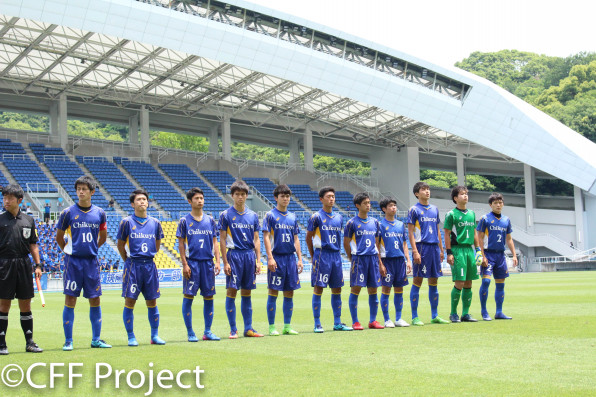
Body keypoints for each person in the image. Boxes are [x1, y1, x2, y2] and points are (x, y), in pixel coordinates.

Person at [56, 176, 111, 350]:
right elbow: (59, 236)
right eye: (78, 188)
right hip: (73, 262)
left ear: (92, 192)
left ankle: (96, 339)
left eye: (84, 189)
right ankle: (68, 341)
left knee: (95, 299)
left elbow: (102, 237)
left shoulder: (100, 213)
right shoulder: (68, 213)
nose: (80, 191)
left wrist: (92, 248)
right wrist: (69, 249)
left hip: (91, 262)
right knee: (70, 299)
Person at [117, 189, 165, 346]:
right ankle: (131, 336)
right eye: (138, 199)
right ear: (132, 204)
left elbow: (157, 245)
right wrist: (128, 260)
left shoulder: (156, 223)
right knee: (130, 301)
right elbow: (120, 244)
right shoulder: (126, 222)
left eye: (144, 199)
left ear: (148, 202)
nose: (142, 201)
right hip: (133, 265)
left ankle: (155, 335)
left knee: (152, 301)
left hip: (149, 266)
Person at [0, 184, 43, 354]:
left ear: (19, 200)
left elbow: (33, 244)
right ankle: (2, 343)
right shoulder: (0, 220)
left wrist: (38, 264)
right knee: (4, 305)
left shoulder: (29, 220)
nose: (6, 201)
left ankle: (30, 342)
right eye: (4, 198)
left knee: (25, 303)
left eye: (9, 198)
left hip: (24, 265)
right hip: (4, 264)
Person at [218, 180, 263, 339]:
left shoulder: (253, 216)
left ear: (246, 196)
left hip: (249, 256)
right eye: (237, 194)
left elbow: (257, 239)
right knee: (232, 291)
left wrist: (258, 260)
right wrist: (225, 262)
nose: (240, 197)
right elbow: (222, 239)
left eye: (243, 194)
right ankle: (233, 329)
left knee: (247, 292)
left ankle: (249, 328)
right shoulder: (225, 215)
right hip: (234, 255)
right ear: (232, 196)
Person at [177, 187, 221, 342]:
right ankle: (190, 332)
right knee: (189, 297)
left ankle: (207, 331)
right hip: (192, 263)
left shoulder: (210, 220)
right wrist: (184, 264)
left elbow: (215, 242)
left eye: (201, 198)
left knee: (209, 297)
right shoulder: (184, 221)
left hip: (208, 264)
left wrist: (218, 261)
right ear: (190, 201)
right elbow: (181, 244)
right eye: (196, 198)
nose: (200, 201)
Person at [307, 186, 352, 333]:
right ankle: (317, 323)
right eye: (328, 196)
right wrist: (313, 255)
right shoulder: (316, 217)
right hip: (322, 255)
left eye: (333, 196)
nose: (331, 199)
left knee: (337, 288)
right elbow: (309, 238)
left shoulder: (339, 217)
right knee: (319, 287)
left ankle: (337, 322)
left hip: (336, 255)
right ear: (321, 199)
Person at [263, 184, 303, 336]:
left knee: (289, 292)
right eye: (282, 196)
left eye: (287, 196)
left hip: (290, 259)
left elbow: (296, 239)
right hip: (277, 258)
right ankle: (272, 327)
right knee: (273, 292)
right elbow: (266, 237)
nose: (285, 199)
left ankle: (287, 326)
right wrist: (270, 258)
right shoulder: (270, 216)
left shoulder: (293, 217)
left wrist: (299, 259)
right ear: (276, 198)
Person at [407, 182, 449, 326]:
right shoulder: (414, 210)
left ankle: (435, 315)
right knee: (417, 281)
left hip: (434, 248)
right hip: (422, 247)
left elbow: (438, 230)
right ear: (417, 194)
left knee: (434, 281)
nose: (427, 192)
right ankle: (414, 316)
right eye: (423, 189)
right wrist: (415, 251)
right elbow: (410, 232)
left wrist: (441, 249)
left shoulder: (434, 209)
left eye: (428, 189)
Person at [343, 192, 385, 330]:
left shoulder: (375, 222)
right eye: (365, 203)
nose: (368, 205)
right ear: (357, 205)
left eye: (369, 202)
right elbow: (346, 243)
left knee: (373, 290)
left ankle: (373, 320)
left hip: (373, 259)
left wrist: (379, 263)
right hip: (359, 259)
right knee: (356, 289)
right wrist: (352, 258)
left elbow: (377, 244)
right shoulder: (351, 223)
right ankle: (355, 321)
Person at [444, 185, 482, 323]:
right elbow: (447, 234)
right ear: (455, 198)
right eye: (462, 194)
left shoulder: (471, 213)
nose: (465, 196)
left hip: (469, 250)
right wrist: (449, 252)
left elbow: (474, 232)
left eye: (466, 194)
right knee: (459, 282)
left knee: (469, 282)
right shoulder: (451, 214)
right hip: (458, 249)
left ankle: (465, 313)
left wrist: (478, 250)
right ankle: (453, 313)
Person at [476, 193, 518, 320]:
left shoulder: (506, 220)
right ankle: (484, 312)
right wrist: (482, 255)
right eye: (495, 203)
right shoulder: (485, 219)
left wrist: (514, 255)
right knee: (486, 281)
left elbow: (509, 239)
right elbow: (480, 238)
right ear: (490, 205)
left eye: (500, 202)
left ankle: (499, 312)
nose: (498, 205)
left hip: (500, 255)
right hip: (488, 254)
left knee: (501, 284)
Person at [378, 197, 412, 328]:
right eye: (391, 206)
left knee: (399, 289)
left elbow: (404, 244)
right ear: (384, 209)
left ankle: (398, 318)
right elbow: (376, 245)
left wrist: (408, 260)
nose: (394, 208)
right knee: (386, 289)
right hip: (387, 261)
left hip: (400, 261)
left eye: (394, 206)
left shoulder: (400, 224)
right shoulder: (380, 225)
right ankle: (387, 319)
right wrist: (380, 263)